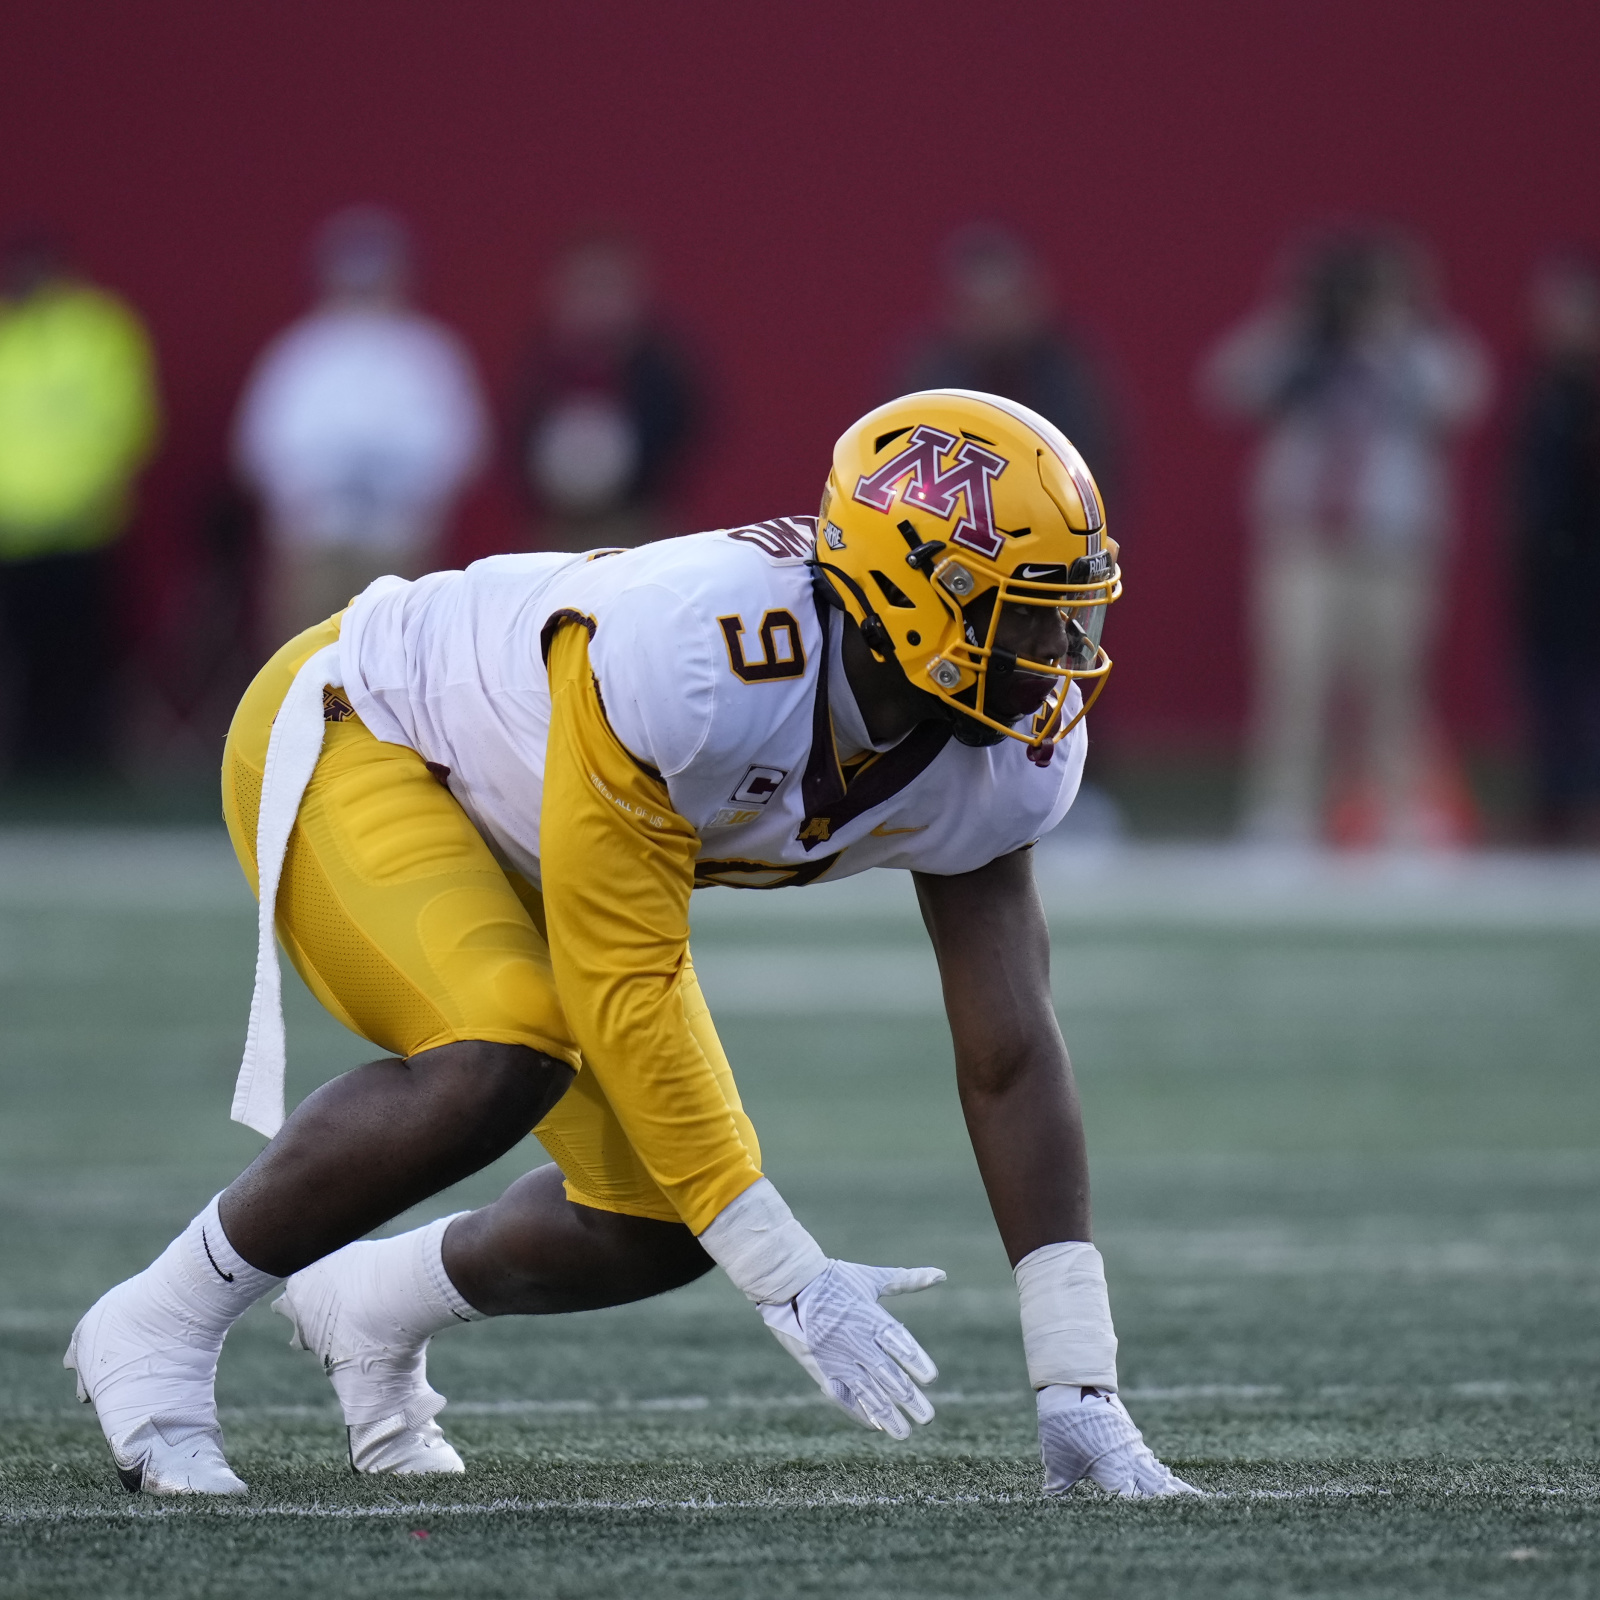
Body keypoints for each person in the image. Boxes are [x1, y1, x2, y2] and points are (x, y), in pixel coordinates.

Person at [65, 390, 1195, 1502]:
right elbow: (624, 978)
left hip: (546, 833)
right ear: (912, 598)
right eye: (1026, 611)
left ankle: (371, 1304)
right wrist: (788, 1275)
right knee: (507, 1046)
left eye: (1066, 611)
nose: (1058, 652)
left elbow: (1010, 1047)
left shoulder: (1002, 755)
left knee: (660, 1222)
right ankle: (157, 1319)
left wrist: (1076, 1382)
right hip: (375, 732)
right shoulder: (700, 655)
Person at [1201, 231, 1491, 848]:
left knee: (1394, 681)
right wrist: (1302, 327)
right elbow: (1229, 385)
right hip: (1306, 539)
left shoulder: (1418, 350)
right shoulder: (1304, 347)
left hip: (1391, 544)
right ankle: (1281, 811)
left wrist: (1390, 341)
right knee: (1296, 675)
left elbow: (1462, 394)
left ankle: (1401, 811)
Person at [233, 207, 489, 648]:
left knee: (401, 660)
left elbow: (462, 445)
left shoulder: (429, 353)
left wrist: (411, 500)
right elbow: (261, 446)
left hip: (399, 541)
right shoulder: (300, 352)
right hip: (316, 541)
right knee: (305, 659)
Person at [0, 232, 160, 776]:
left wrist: (85, 493)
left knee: (78, 654)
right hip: (12, 533)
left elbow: (125, 419)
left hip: (81, 528)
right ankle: (23, 762)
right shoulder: (8, 334)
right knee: (19, 658)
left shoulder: (97, 331)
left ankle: (80, 762)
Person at [898, 225, 1117, 504]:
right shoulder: (928, 378)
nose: (995, 317)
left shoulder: (1071, 377)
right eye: (980, 304)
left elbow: (1094, 473)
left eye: (1004, 301)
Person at [515, 229, 699, 549]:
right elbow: (516, 433)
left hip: (636, 524)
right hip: (560, 526)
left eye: (606, 287)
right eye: (586, 287)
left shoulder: (658, 365)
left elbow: (687, 426)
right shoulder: (543, 366)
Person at [1510, 255, 1600, 845]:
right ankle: (1558, 800)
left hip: (1590, 553)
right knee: (1550, 684)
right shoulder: (1544, 383)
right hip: (1549, 561)